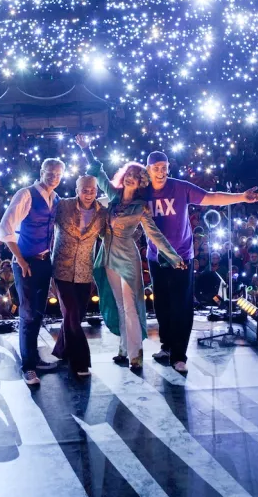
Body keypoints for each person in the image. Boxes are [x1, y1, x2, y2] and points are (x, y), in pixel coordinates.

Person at [142, 150, 258, 372]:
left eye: (164, 168)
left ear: (168, 168)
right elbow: (117, 198)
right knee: (162, 305)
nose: (160, 172)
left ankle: (179, 356)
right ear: (148, 169)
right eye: (156, 168)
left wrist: (241, 197)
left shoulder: (180, 187)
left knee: (181, 306)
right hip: (156, 257)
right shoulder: (143, 191)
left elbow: (211, 197)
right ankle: (167, 346)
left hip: (181, 257)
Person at [76, 136, 185, 370]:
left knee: (130, 306)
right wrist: (86, 149)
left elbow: (154, 234)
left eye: (135, 177)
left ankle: (136, 355)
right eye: (129, 174)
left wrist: (173, 257)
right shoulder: (114, 197)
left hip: (127, 259)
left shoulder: (140, 208)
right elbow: (98, 173)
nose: (130, 178)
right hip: (108, 258)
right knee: (119, 305)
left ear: (140, 183)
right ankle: (124, 349)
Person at [0, 158, 65, 386]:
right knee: (27, 314)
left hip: (45, 261)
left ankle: (34, 358)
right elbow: (5, 227)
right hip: (25, 262)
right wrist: (20, 259)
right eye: (50, 173)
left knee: (38, 313)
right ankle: (28, 367)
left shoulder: (56, 198)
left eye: (58, 174)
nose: (53, 177)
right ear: (41, 171)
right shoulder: (26, 194)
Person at [50, 175, 107, 376]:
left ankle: (62, 350)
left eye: (92, 190)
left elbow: (109, 236)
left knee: (74, 316)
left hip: (85, 272)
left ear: (97, 191)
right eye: (85, 190)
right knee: (72, 315)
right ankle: (80, 362)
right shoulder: (63, 206)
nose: (89, 194)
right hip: (62, 270)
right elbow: (44, 224)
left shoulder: (102, 213)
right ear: (77, 190)